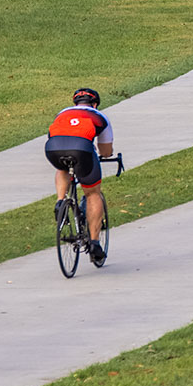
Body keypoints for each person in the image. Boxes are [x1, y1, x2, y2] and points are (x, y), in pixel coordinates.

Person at [44, 87, 116, 266]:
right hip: (82, 148)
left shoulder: (62, 113)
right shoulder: (99, 116)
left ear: (75, 103)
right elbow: (105, 151)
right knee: (92, 193)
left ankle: (60, 201)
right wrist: (106, 155)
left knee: (62, 167)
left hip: (53, 148)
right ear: (95, 104)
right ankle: (94, 243)